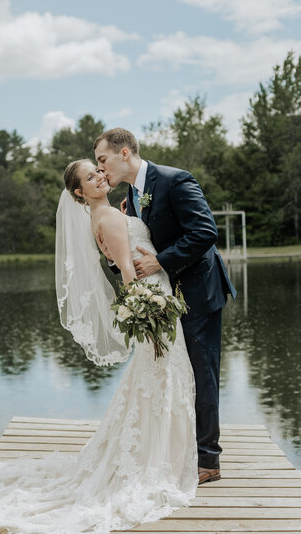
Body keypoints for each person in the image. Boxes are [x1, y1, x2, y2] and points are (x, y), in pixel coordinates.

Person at [0, 158, 198, 534]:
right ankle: (160, 462)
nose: (100, 176)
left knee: (155, 383)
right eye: (90, 177)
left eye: (99, 171)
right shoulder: (109, 217)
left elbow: (117, 253)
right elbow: (127, 272)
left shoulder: (104, 214)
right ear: (79, 192)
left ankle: (158, 455)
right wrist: (148, 309)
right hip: (153, 299)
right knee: (164, 379)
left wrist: (127, 222)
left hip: (151, 297)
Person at [94, 128, 237, 485]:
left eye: (102, 159)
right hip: (169, 296)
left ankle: (209, 461)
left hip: (200, 290)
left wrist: (161, 262)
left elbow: (205, 232)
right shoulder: (132, 193)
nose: (100, 168)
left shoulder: (175, 180)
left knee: (203, 372)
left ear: (124, 153)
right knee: (181, 373)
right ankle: (184, 449)